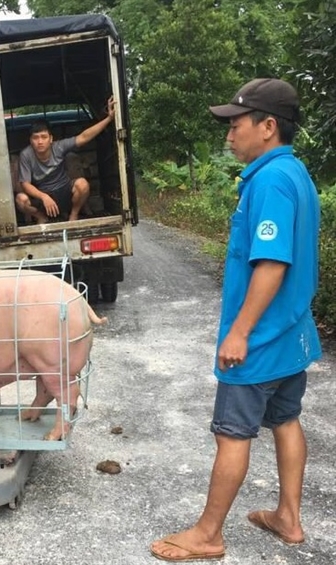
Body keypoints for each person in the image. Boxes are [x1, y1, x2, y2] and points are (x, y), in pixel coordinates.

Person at [150, 78, 322, 562]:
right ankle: (288, 517)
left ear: (268, 127)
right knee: (285, 420)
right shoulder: (295, 174)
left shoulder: (269, 181)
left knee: (232, 432)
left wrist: (240, 332)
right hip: (291, 334)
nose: (228, 134)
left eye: (236, 123)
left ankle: (208, 534)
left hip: (261, 339)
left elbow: (272, 263)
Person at [15, 96, 116, 223]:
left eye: (43, 137)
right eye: (35, 138)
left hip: (64, 192)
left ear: (51, 139)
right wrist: (44, 196)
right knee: (20, 199)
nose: (40, 141)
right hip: (42, 197)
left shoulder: (59, 147)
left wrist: (109, 118)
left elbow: (83, 137)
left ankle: (73, 215)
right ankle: (40, 217)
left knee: (82, 184)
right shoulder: (26, 154)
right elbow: (25, 184)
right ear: (30, 140)